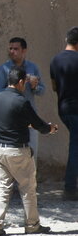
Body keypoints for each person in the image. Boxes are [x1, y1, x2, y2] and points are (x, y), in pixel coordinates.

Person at [0, 66, 58, 236]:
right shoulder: (21, 101)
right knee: (27, 187)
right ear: (21, 82)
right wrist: (50, 129)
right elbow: (38, 124)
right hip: (17, 150)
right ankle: (32, 224)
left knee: (3, 187)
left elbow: (9, 121)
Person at [0, 37, 45, 160]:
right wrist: (14, 86)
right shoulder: (3, 69)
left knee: (32, 155)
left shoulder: (33, 67)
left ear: (24, 50)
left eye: (16, 49)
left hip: (29, 117)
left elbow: (42, 91)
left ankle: (30, 179)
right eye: (10, 48)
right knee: (13, 156)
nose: (12, 51)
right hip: (11, 119)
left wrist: (34, 86)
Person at [49, 26, 78, 201]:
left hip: (64, 108)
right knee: (75, 148)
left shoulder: (55, 60)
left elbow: (54, 87)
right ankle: (70, 188)